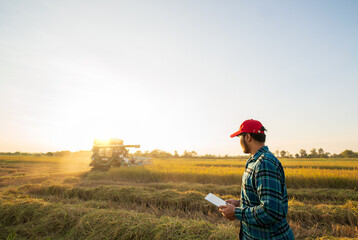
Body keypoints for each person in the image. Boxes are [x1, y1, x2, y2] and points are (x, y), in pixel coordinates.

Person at [219, 119, 294, 239]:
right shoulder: (254, 161)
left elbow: (270, 212)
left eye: (240, 137)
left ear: (248, 137)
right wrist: (240, 204)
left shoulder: (264, 163)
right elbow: (259, 199)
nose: (239, 141)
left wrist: (236, 212)